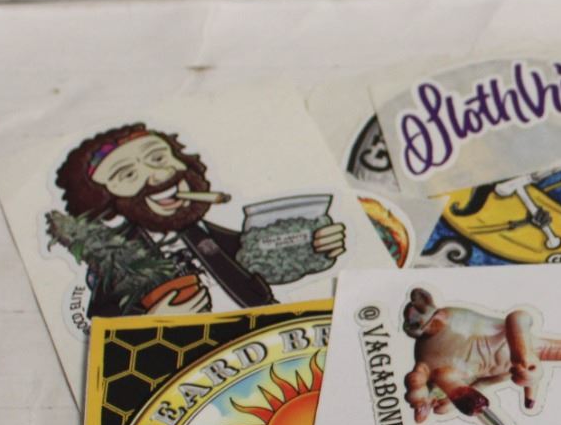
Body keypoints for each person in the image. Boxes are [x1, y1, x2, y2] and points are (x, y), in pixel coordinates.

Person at [51, 124, 345, 317]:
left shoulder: (202, 234)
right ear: (105, 198)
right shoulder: (117, 256)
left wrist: (314, 245)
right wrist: (151, 323)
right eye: (127, 174)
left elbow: (257, 257)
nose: (158, 175)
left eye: (158, 158)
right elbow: (100, 325)